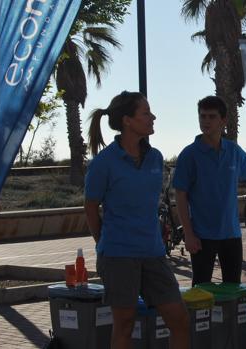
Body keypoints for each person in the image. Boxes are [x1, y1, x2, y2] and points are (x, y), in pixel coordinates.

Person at [84, 91, 190, 348]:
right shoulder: (104, 162)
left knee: (180, 320)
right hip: (118, 255)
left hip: (153, 253)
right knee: (125, 325)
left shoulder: (155, 158)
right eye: (146, 112)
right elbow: (90, 208)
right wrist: (103, 243)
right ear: (127, 121)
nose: (153, 117)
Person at [173, 95, 246, 285]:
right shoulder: (189, 155)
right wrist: (188, 234)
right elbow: (180, 194)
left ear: (223, 120)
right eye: (202, 116)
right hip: (201, 236)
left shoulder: (234, 151)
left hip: (231, 234)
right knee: (201, 289)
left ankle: (229, 317)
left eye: (211, 117)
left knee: (232, 289)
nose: (206, 121)